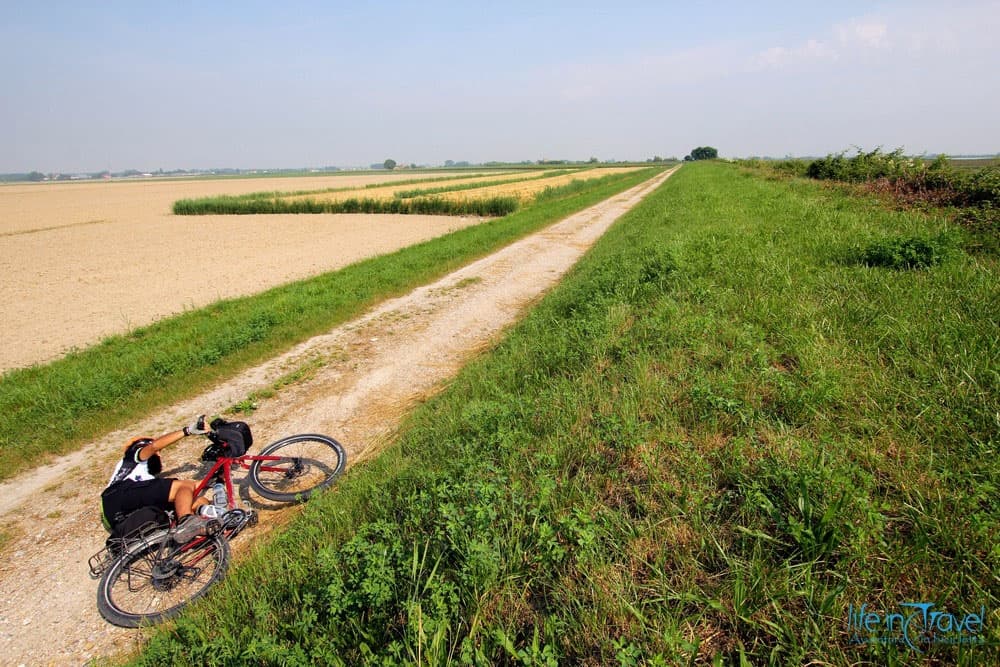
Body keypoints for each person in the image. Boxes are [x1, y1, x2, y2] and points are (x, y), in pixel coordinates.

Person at [101, 415, 218, 542]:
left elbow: (194, 487)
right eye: (158, 453)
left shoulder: (145, 481)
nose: (159, 454)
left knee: (196, 499)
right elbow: (154, 446)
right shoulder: (133, 457)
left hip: (118, 517)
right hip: (117, 495)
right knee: (181, 486)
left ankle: (201, 528)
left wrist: (215, 476)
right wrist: (188, 430)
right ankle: (187, 522)